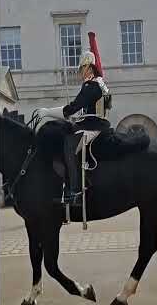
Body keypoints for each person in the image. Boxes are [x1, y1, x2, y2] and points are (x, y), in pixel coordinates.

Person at [37, 32, 111, 202]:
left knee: (69, 147)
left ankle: (75, 190)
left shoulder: (91, 85)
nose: (79, 72)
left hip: (93, 126)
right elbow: (85, 109)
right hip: (94, 122)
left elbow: (71, 108)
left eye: (81, 69)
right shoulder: (99, 84)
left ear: (88, 67)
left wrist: (48, 112)